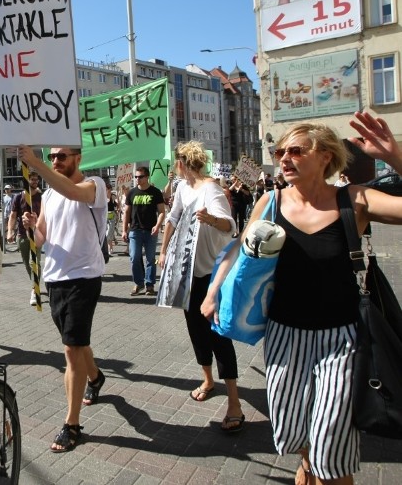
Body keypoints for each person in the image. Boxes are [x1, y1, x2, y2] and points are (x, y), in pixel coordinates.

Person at [203, 112, 402, 485]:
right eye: (280, 151)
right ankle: (306, 461)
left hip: (341, 340)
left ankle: (322, 468)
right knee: (293, 429)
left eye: (296, 150)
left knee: (333, 453)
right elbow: (238, 249)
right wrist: (215, 291)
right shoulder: (270, 201)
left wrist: (395, 158)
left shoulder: (354, 200)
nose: (284, 158)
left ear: (326, 155)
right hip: (284, 337)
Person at [18, 145, 108, 453]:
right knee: (77, 343)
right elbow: (43, 238)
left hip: (85, 277)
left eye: (61, 156)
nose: (56, 161)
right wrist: (32, 227)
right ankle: (95, 378)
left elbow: (72, 192)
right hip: (55, 278)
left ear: (78, 158)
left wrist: (35, 163)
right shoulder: (50, 195)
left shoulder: (94, 185)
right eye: (52, 156)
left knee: (71, 347)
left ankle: (72, 425)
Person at [157, 141, 244, 433]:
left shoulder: (211, 189)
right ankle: (208, 379)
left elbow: (229, 226)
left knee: (218, 334)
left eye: (177, 160)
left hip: (211, 271)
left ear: (185, 161)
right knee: (195, 327)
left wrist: (211, 219)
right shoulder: (183, 187)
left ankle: (234, 402)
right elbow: (173, 217)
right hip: (186, 269)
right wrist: (163, 250)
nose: (174, 165)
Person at [122, 166, 165, 296]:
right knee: (134, 257)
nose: (137, 179)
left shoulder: (155, 192)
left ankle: (150, 285)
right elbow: (127, 212)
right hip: (135, 230)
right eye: (136, 177)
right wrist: (124, 230)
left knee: (150, 259)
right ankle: (138, 283)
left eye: (140, 177)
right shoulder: (131, 193)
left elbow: (162, 212)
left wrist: (157, 225)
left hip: (150, 231)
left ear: (147, 177)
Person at [6, 171, 42, 306]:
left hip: (37, 235)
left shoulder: (40, 197)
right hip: (22, 235)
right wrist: (10, 231)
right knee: (27, 263)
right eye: (32, 179)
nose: (35, 182)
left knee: (36, 262)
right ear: (26, 181)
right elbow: (13, 216)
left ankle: (34, 289)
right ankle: (35, 282)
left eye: (36, 179)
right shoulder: (18, 198)